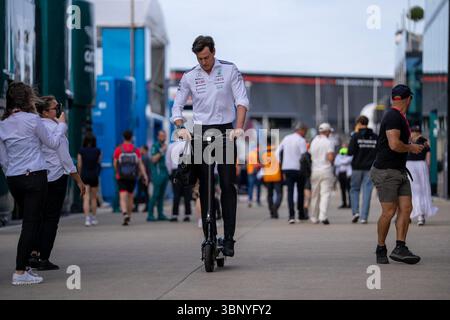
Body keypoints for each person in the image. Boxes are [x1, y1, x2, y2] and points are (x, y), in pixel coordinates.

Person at [171, 35, 249, 257]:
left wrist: (239, 127)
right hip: (201, 131)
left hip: (225, 130)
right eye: (199, 58)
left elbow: (241, 100)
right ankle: (209, 235)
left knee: (227, 184)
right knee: (204, 185)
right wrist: (180, 126)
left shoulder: (229, 70)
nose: (203, 62)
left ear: (213, 51)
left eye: (206, 57)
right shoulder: (189, 76)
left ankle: (230, 237)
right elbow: (176, 107)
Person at [0, 82, 67, 285]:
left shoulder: (2, 124)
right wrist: (62, 125)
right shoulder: (32, 120)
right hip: (35, 176)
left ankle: (26, 267)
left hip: (13, 177)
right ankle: (20, 271)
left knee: (29, 222)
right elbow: (53, 143)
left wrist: (12, 171)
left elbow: (3, 159)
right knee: (31, 223)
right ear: (28, 99)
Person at [28, 96, 86, 271]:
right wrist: (79, 181)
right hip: (56, 177)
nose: (59, 111)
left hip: (40, 176)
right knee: (51, 220)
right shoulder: (55, 129)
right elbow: (65, 159)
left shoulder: (37, 127)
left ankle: (33, 252)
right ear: (45, 112)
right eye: (56, 108)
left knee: (38, 217)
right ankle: (43, 257)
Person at [370, 84, 424, 265]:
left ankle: (400, 247)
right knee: (389, 211)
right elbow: (394, 145)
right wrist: (411, 147)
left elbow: (396, 142)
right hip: (386, 171)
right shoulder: (393, 116)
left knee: (406, 208)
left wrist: (411, 142)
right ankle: (380, 247)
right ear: (408, 99)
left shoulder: (398, 116)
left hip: (399, 170)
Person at [113, 130, 148, 226]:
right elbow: (140, 164)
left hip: (121, 176)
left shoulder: (118, 149)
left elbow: (115, 163)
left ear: (123, 137)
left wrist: (117, 172)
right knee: (130, 196)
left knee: (122, 196)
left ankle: (124, 213)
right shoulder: (136, 150)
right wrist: (144, 175)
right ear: (131, 137)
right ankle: (129, 215)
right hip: (132, 176)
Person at [348, 115, 378, 224]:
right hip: (370, 168)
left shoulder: (355, 136)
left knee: (354, 190)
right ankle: (364, 217)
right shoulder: (375, 137)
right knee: (367, 192)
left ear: (359, 123)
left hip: (357, 167)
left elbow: (350, 152)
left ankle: (355, 212)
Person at [276, 122, 308, 224]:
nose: (305, 133)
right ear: (301, 130)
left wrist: (281, 164)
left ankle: (291, 215)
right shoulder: (301, 140)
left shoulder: (286, 138)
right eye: (305, 131)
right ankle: (301, 214)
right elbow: (304, 156)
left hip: (287, 168)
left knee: (289, 192)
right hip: (298, 169)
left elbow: (277, 152)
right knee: (300, 192)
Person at [406, 125, 438, 226]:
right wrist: (427, 168)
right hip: (421, 165)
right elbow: (428, 156)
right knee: (423, 190)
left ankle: (412, 214)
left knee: (413, 190)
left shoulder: (408, 140)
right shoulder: (424, 140)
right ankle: (420, 215)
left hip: (410, 165)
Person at [309, 123, 335, 225]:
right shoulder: (329, 142)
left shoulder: (314, 141)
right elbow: (330, 158)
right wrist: (333, 158)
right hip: (326, 170)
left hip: (315, 170)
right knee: (325, 194)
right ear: (327, 131)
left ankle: (314, 217)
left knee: (315, 194)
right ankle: (323, 216)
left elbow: (310, 154)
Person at [78, 132, 102, 227]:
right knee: (93, 198)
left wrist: (79, 176)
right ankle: (94, 218)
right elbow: (99, 162)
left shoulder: (81, 151)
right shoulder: (98, 150)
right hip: (94, 175)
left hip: (84, 175)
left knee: (86, 198)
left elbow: (79, 164)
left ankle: (87, 219)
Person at [166, 140, 192, 222]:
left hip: (175, 171)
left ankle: (174, 215)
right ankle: (187, 215)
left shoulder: (171, 146)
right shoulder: (189, 145)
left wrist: (170, 173)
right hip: (187, 171)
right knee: (187, 193)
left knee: (176, 194)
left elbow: (167, 161)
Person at [147, 130, 170, 222]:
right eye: (161, 136)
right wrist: (161, 151)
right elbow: (153, 159)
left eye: (164, 136)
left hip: (165, 173)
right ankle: (150, 214)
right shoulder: (155, 146)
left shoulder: (165, 146)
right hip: (157, 174)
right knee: (155, 195)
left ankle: (160, 214)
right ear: (157, 137)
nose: (163, 137)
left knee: (161, 195)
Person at [261, 137, 283, 218]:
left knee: (270, 194)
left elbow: (262, 164)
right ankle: (275, 207)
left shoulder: (263, 152)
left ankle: (272, 211)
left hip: (267, 175)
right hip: (277, 175)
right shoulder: (278, 151)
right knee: (279, 194)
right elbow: (281, 162)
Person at [334, 144, 352, 209]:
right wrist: (342, 161)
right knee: (342, 189)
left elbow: (348, 161)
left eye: (345, 146)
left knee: (349, 189)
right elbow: (336, 163)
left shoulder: (349, 154)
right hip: (340, 174)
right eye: (343, 146)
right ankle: (344, 203)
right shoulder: (338, 155)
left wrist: (341, 161)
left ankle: (350, 203)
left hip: (347, 174)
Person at [134, 145, 151, 212]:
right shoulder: (148, 157)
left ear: (144, 150)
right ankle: (147, 207)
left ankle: (136, 207)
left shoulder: (143, 158)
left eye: (141, 149)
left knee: (139, 193)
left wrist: (139, 176)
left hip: (142, 178)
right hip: (147, 177)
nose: (140, 150)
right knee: (146, 193)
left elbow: (142, 168)